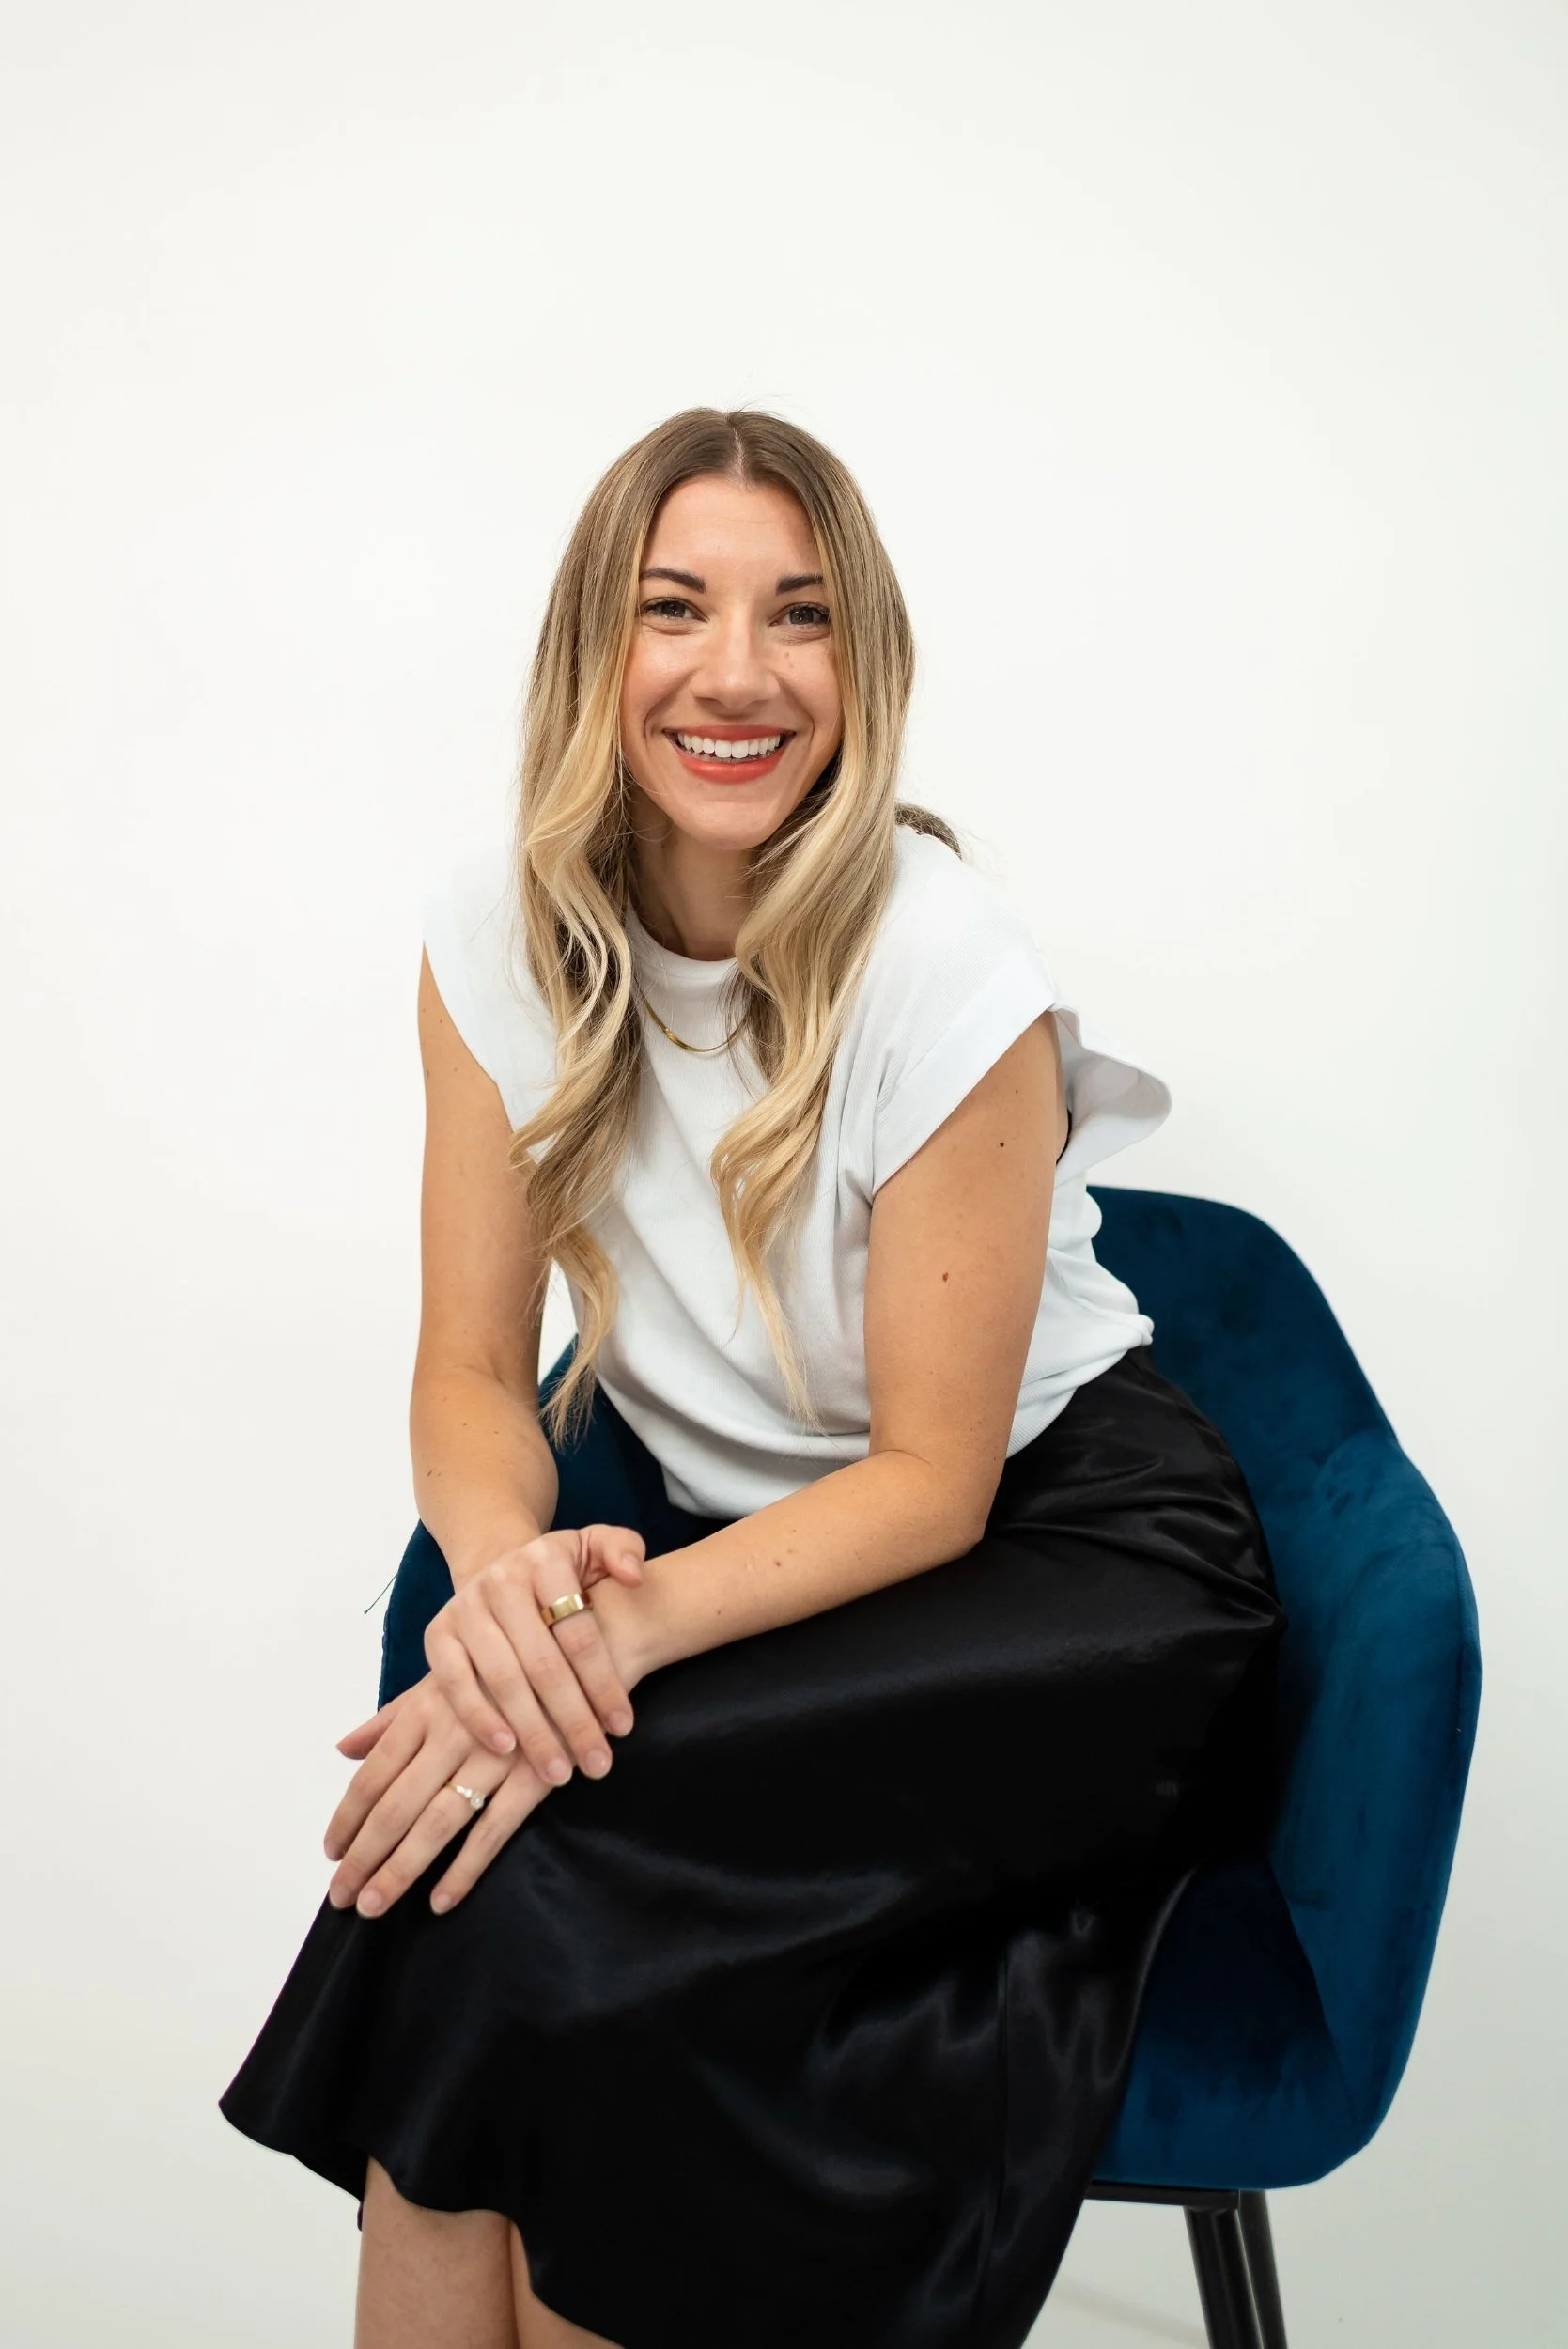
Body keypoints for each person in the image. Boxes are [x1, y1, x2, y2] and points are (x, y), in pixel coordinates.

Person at [220, 407, 1282, 2349]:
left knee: (526, 1847)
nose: (736, 672)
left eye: (798, 617)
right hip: (768, 1552)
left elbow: (934, 1481)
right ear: (591, 654)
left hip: (1062, 1567)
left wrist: (602, 1653)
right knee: (481, 1882)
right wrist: (506, 1588)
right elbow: (471, 1366)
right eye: (674, 608)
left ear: (859, 664)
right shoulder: (496, 934)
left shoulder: (942, 960)